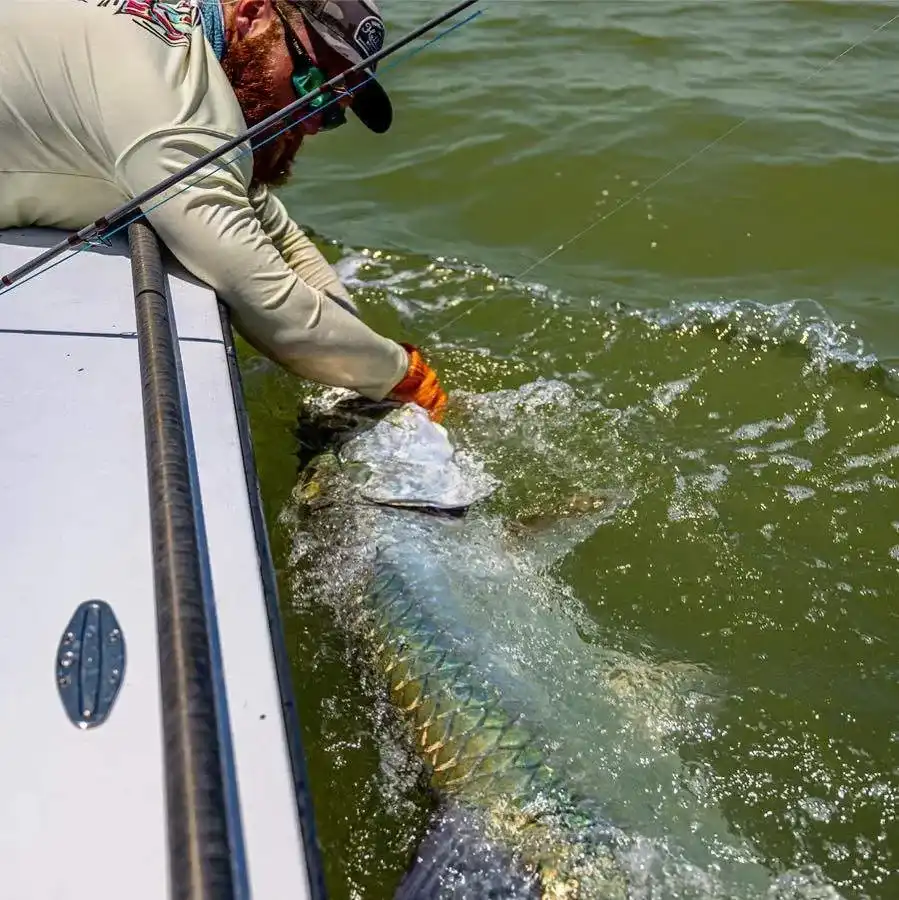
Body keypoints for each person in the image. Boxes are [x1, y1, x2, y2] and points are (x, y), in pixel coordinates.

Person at [0, 0, 447, 420]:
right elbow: (277, 314)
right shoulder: (174, 110)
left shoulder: (185, 40)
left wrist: (346, 326)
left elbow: (268, 221)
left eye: (333, 112)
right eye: (313, 84)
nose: (312, 120)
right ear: (253, 14)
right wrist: (404, 377)